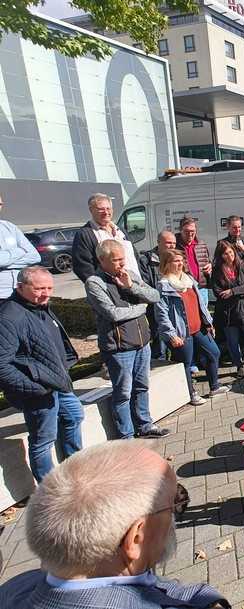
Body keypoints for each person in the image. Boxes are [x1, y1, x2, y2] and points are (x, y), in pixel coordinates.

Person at [0, 441, 229, 609]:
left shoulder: (16, 587)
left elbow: (152, 586)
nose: (175, 516)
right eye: (173, 505)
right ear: (136, 538)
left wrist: (207, 601)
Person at [0, 267, 83, 482]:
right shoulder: (10, 316)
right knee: (43, 441)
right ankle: (51, 491)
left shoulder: (38, 305)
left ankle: (75, 472)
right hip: (39, 391)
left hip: (57, 383)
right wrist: (36, 388)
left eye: (49, 287)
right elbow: (2, 365)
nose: (46, 293)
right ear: (20, 287)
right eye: (39, 288)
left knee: (74, 415)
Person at [85, 241, 169, 439]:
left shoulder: (129, 274)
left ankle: (145, 424)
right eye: (116, 260)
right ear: (102, 260)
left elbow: (154, 295)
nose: (121, 264)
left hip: (142, 342)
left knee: (142, 386)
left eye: (122, 258)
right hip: (119, 347)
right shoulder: (95, 283)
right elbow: (112, 313)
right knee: (123, 392)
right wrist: (140, 308)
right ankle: (126, 435)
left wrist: (132, 288)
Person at [156, 249, 230, 405]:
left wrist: (208, 323)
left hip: (199, 327)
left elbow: (200, 304)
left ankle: (214, 386)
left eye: (181, 260)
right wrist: (171, 335)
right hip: (182, 332)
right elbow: (161, 314)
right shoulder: (164, 285)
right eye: (176, 261)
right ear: (167, 264)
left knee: (214, 353)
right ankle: (191, 394)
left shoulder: (188, 280)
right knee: (186, 364)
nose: (180, 263)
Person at [212, 240, 244, 377]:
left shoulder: (243, 265)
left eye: (231, 252)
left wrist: (232, 291)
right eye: (225, 254)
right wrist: (235, 292)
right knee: (233, 342)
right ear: (220, 255)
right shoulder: (217, 270)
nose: (230, 256)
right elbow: (217, 292)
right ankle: (239, 366)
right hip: (228, 312)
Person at [72, 193, 141, 283]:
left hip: (136, 285)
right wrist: (104, 287)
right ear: (91, 210)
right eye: (101, 209)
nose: (106, 212)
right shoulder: (84, 234)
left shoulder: (120, 231)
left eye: (108, 208)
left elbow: (134, 257)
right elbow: (83, 267)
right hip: (112, 290)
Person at [138, 230, 177, 359]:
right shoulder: (146, 261)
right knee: (160, 342)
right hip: (156, 308)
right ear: (159, 243)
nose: (172, 246)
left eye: (174, 243)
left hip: (175, 306)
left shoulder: (176, 258)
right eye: (168, 243)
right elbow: (144, 284)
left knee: (177, 340)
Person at [0, 194, 41, 300]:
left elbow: (35, 256)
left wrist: (5, 262)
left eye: (0, 204)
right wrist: (20, 251)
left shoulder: (9, 227)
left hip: (20, 292)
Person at [176, 216, 212, 310]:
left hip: (201, 288)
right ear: (180, 230)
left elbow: (208, 261)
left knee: (204, 317)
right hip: (185, 289)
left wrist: (210, 266)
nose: (190, 234)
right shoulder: (174, 245)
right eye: (186, 231)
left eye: (193, 231)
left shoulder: (201, 244)